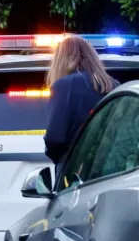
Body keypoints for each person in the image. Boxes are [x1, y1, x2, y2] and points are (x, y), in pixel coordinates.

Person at [43, 36, 119, 173]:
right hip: (113, 169)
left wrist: (63, 160)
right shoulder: (113, 85)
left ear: (60, 60)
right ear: (92, 57)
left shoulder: (63, 86)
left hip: (76, 172)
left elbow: (54, 137)